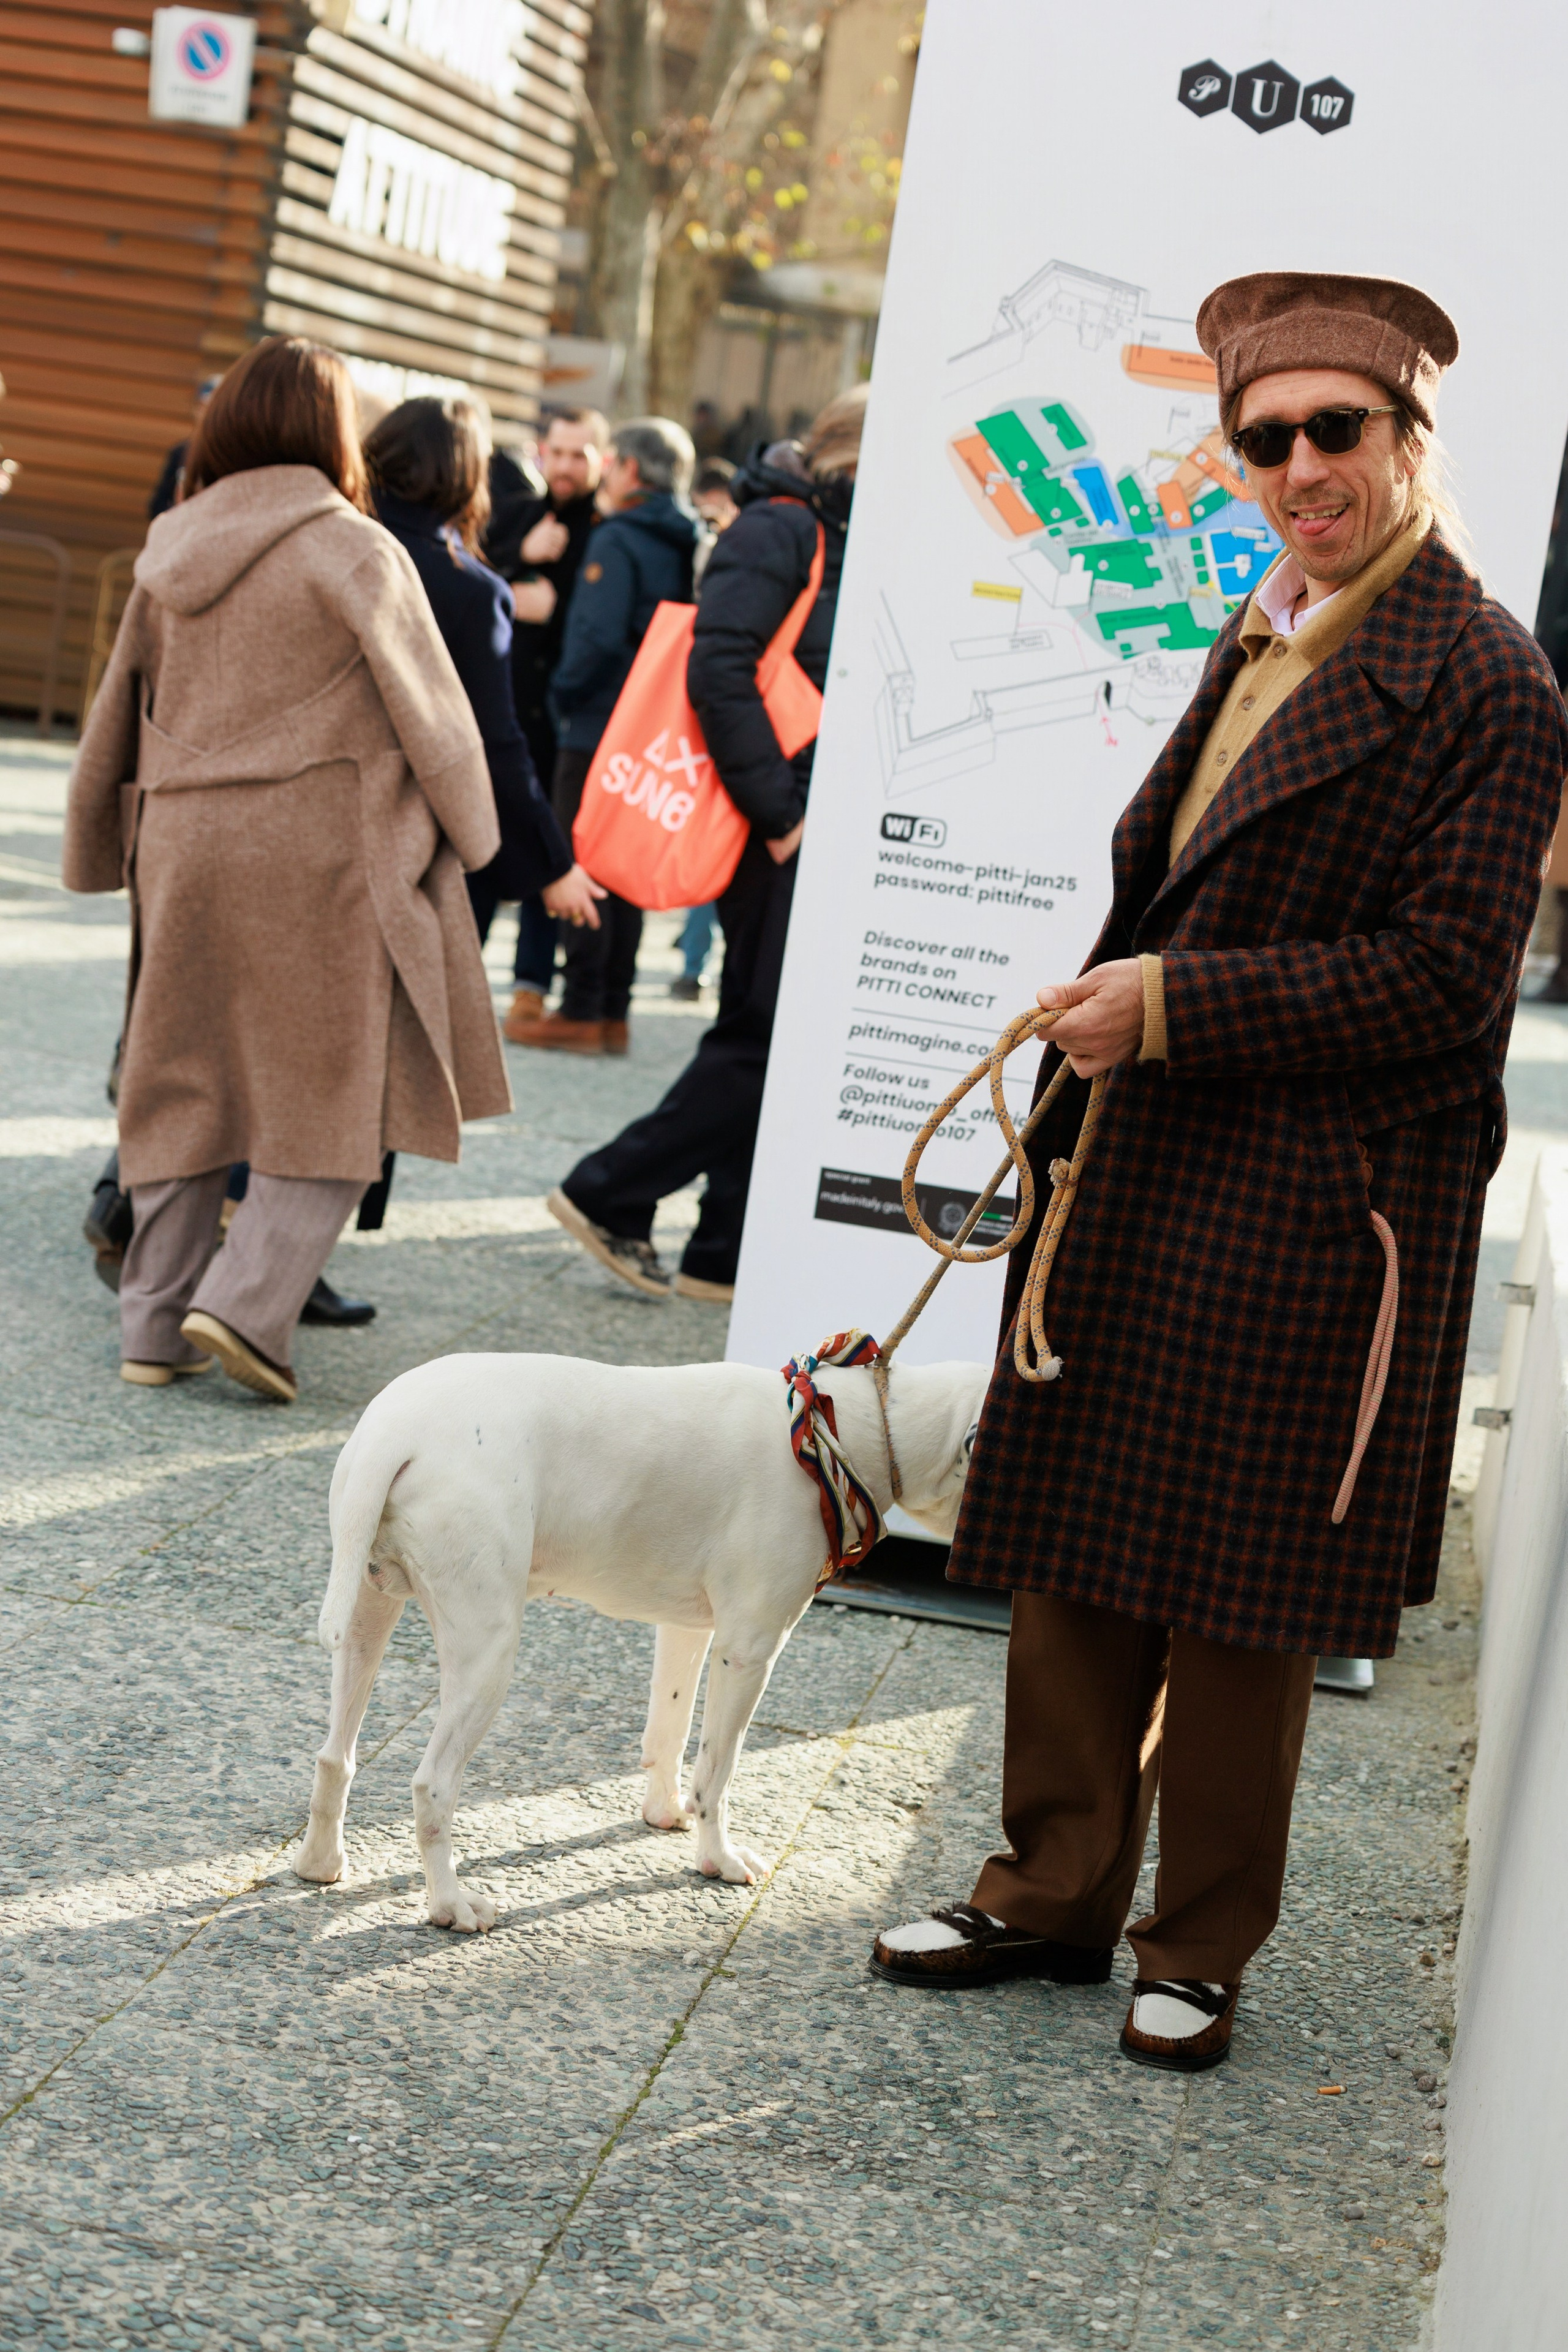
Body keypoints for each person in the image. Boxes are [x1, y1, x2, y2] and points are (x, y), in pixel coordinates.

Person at [869, 275, 1568, 2072]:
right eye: (1264, 438)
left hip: (1321, 1193)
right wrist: (1119, 1016)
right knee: (1075, 1545)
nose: (1298, 466)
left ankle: (1195, 1942)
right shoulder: (1258, 629)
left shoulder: (1486, 680)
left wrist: (1170, 1004)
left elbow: (1443, 978)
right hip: (1151, 1153)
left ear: (1407, 439)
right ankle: (1046, 1890)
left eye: (1336, 429)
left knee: (1243, 1593)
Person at [64, 334, 511, 1403]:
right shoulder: (352, 550)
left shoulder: (168, 548)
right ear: (332, 431)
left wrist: (91, 836)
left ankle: (153, 1327)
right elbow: (435, 715)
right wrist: (479, 834)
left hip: (181, 844)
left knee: (183, 1081)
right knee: (335, 1087)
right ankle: (250, 1305)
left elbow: (116, 704)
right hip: (321, 853)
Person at [547, 386, 864, 1297]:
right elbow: (718, 669)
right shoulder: (783, 528)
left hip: (799, 817)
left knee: (760, 1026)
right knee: (767, 1037)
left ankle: (721, 1250)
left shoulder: (829, 526)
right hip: (777, 823)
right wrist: (782, 815)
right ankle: (608, 1190)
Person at [363, 395, 603, 959]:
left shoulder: (330, 544)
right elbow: (492, 742)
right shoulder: (469, 591)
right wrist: (553, 866)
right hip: (398, 840)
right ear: (467, 474)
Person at [508, 417, 699, 1057]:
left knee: (583, 861)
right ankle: (613, 1009)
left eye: (611, 461)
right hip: (651, 727)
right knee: (625, 870)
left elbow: (594, 638)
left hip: (596, 727)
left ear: (631, 470)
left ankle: (582, 1006)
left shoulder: (618, 538)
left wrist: (563, 694)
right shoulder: (684, 539)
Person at [483, 406, 609, 1036]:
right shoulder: (512, 517)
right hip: (498, 713)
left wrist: (552, 611)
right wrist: (517, 562)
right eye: (556, 453)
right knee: (478, 848)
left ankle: (531, 985)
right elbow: (463, 579)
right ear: (541, 453)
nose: (564, 466)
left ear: (601, 460)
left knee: (547, 850)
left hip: (559, 722)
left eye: (578, 455)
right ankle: (458, 973)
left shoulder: (605, 534)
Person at [146, 375, 219, 518]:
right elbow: (158, 505)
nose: (206, 414)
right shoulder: (180, 452)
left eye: (213, 408)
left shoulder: (229, 454)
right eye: (203, 407)